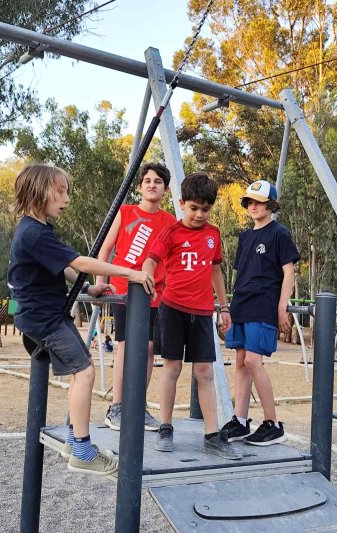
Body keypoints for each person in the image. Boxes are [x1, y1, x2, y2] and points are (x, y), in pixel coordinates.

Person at [7, 164, 155, 476]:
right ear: (39, 193)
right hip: (42, 317)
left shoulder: (40, 229)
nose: (67, 199)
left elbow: (63, 267)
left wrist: (88, 288)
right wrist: (130, 272)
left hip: (50, 313)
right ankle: (83, 453)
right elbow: (79, 262)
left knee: (82, 369)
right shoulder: (33, 232)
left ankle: (74, 442)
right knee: (85, 373)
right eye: (60, 192)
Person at [143, 172, 242, 460]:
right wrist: (145, 278)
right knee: (172, 368)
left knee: (205, 372)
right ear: (182, 203)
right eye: (194, 208)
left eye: (206, 209)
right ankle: (165, 427)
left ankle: (212, 435)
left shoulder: (213, 235)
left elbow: (215, 270)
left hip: (202, 312)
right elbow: (150, 260)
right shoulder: (171, 233)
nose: (199, 215)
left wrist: (224, 307)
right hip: (172, 309)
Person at [97, 162, 175, 431]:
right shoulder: (125, 212)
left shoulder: (170, 222)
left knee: (150, 348)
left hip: (155, 292)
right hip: (124, 288)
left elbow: (171, 259)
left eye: (158, 181)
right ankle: (117, 406)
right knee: (126, 345)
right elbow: (105, 249)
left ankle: (137, 405)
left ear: (166, 189)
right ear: (140, 187)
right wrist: (100, 283)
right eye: (148, 181)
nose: (152, 185)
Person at [223, 180, 300, 446]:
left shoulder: (279, 233)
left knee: (254, 361)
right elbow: (243, 273)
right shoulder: (245, 237)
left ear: (271, 205)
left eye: (259, 202)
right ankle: (240, 420)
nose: (253, 206)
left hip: (263, 303)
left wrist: (282, 307)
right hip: (241, 303)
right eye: (249, 202)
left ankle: (272, 424)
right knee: (240, 362)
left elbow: (288, 272)